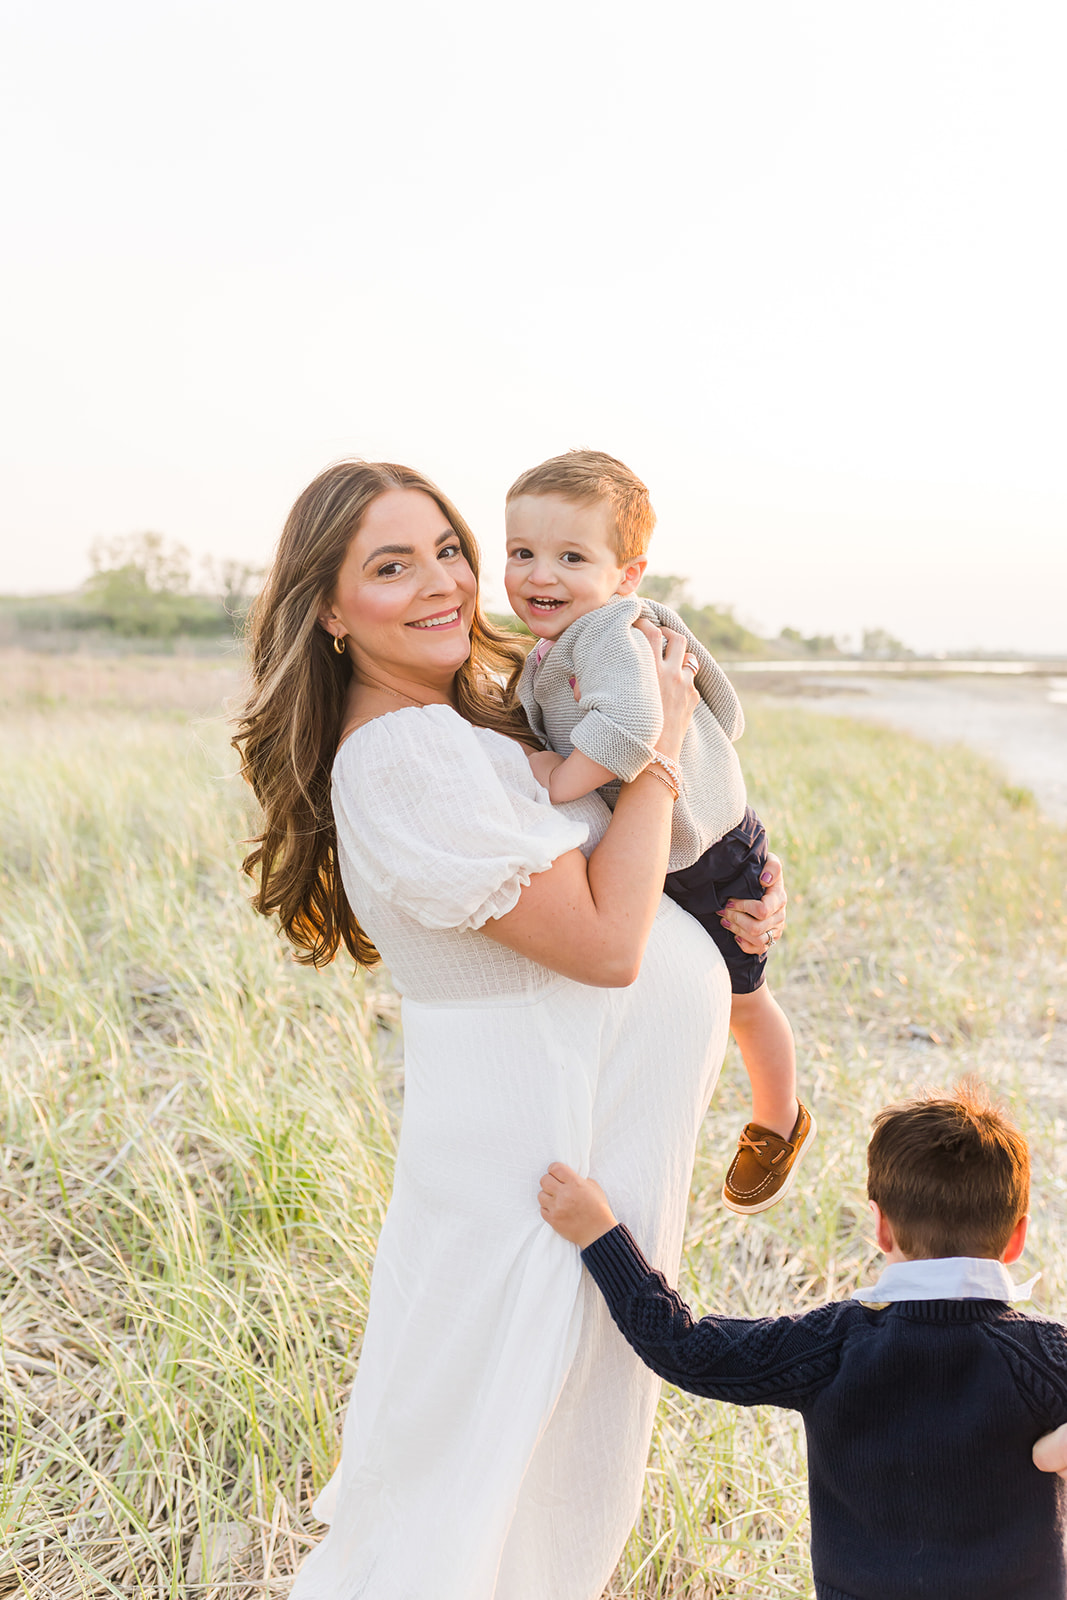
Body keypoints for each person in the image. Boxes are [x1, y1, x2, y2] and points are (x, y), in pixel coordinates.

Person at [232, 459, 787, 1600]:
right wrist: (660, 748)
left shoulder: (464, 731)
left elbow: (629, 879)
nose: (443, 582)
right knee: (472, 1494)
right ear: (328, 608)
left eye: (446, 549)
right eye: (392, 565)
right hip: (527, 1182)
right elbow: (603, 945)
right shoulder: (404, 755)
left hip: (576, 1166)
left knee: (529, 1486)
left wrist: (737, 897)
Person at [538, 1081, 1067, 1600]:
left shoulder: (834, 1345)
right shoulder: (1046, 1357)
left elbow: (684, 1348)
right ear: (1017, 1237)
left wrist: (599, 1234)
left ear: (880, 1228)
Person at [507, 449, 811, 1214]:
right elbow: (725, 711)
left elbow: (639, 724)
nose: (540, 575)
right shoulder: (552, 645)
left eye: (570, 557)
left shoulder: (608, 630)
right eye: (521, 553)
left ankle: (777, 1119)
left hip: (705, 851)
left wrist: (556, 778)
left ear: (626, 574)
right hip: (680, 840)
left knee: (746, 999)